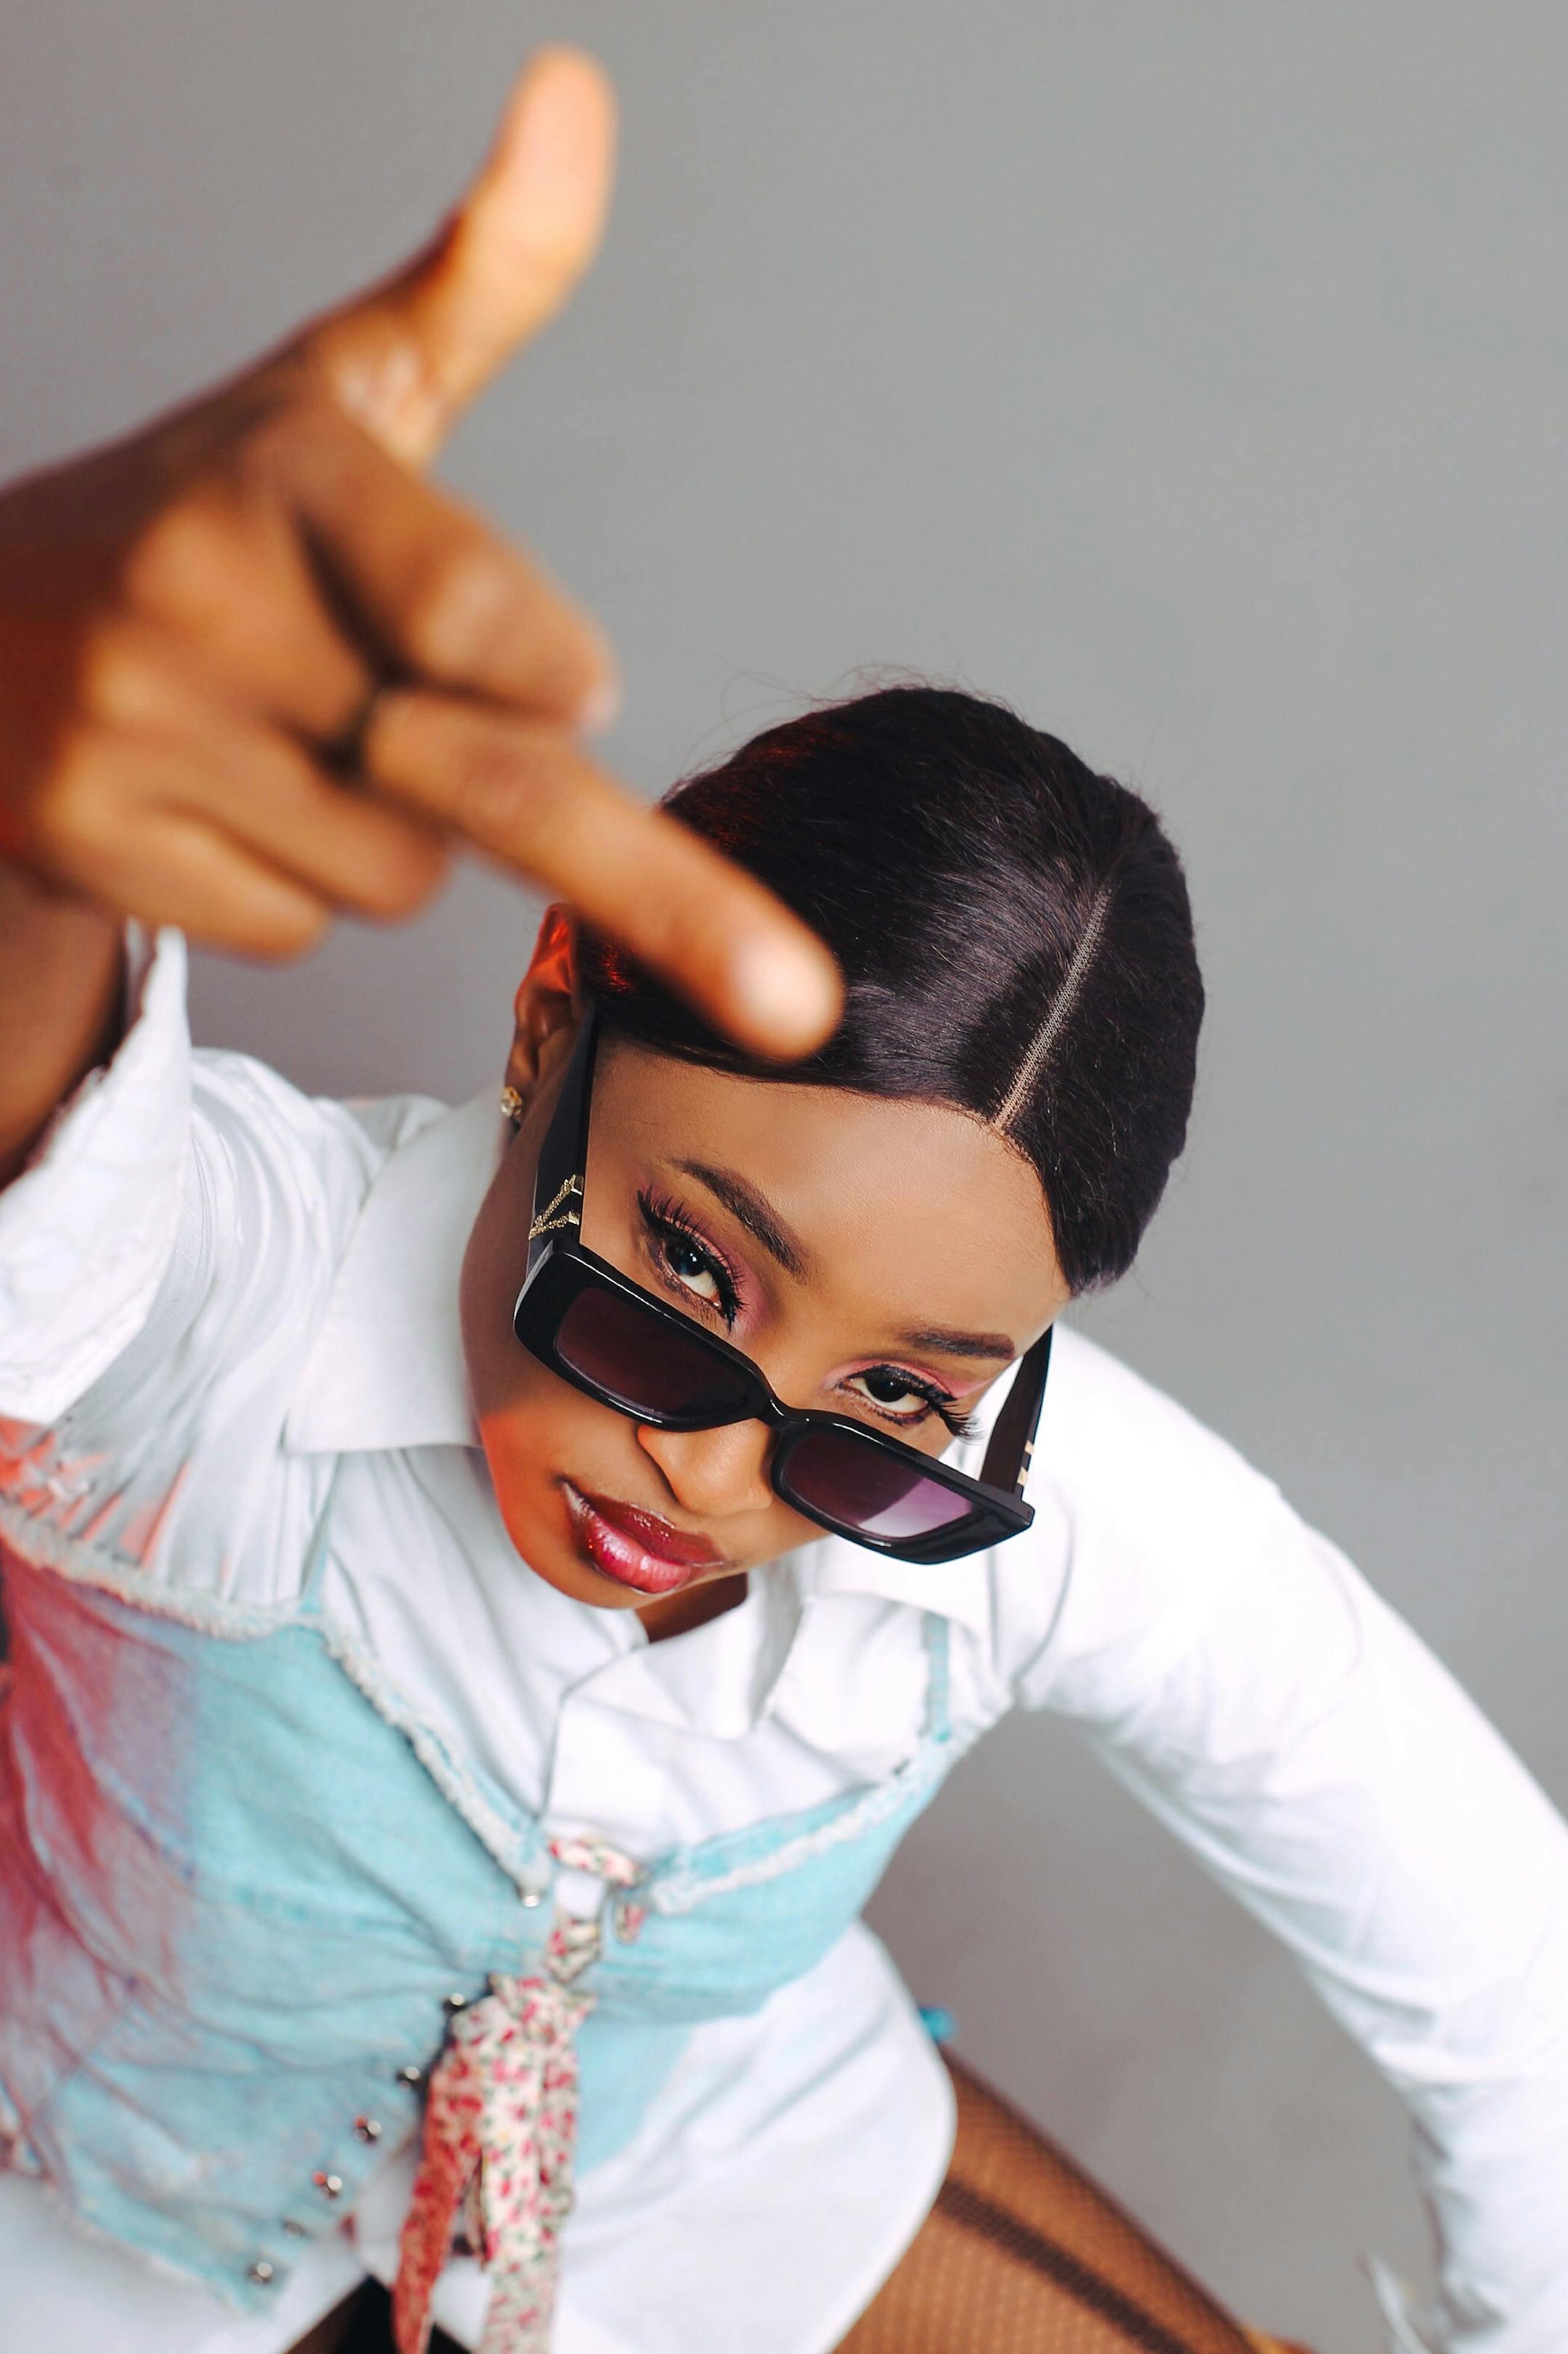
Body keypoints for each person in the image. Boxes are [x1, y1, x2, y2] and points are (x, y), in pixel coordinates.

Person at [1, 46, 1565, 2354]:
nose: (721, 1473)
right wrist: (24, 826)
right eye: (686, 1276)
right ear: (554, 1015)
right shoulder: (233, 1289)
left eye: (887, 1411)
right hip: (79, 2224)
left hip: (693, 2187)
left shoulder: (1032, 1506)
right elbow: (42, 1193)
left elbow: (1492, 1943)